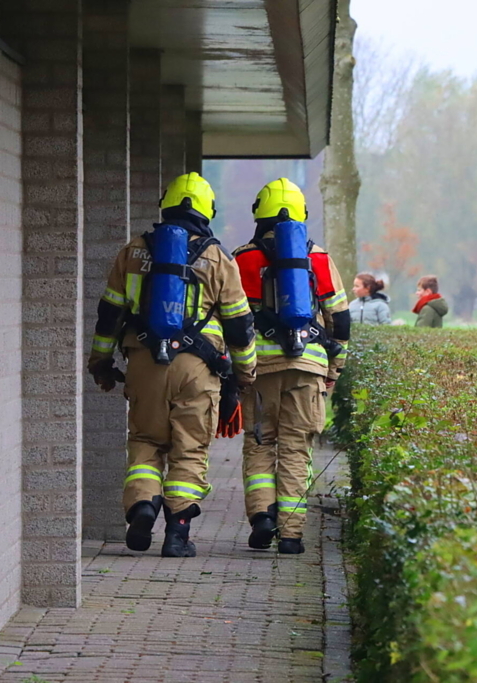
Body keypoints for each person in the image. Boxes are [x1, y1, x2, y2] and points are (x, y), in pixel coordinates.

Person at [88, 173, 257, 558]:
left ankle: (143, 506)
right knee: (190, 447)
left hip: (143, 362)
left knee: (146, 440)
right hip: (198, 368)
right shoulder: (218, 258)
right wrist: (244, 375)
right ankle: (178, 535)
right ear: (206, 211)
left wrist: (100, 362)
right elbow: (240, 325)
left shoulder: (133, 251)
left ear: (165, 205)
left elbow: (109, 313)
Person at [232, 178, 351, 554]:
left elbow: (232, 320)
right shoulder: (318, 259)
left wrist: (236, 372)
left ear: (259, 213)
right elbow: (341, 321)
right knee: (297, 449)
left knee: (260, 443)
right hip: (309, 365)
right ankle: (291, 534)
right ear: (302, 213)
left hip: (260, 369)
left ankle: (263, 516)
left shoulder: (242, 258)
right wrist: (334, 370)